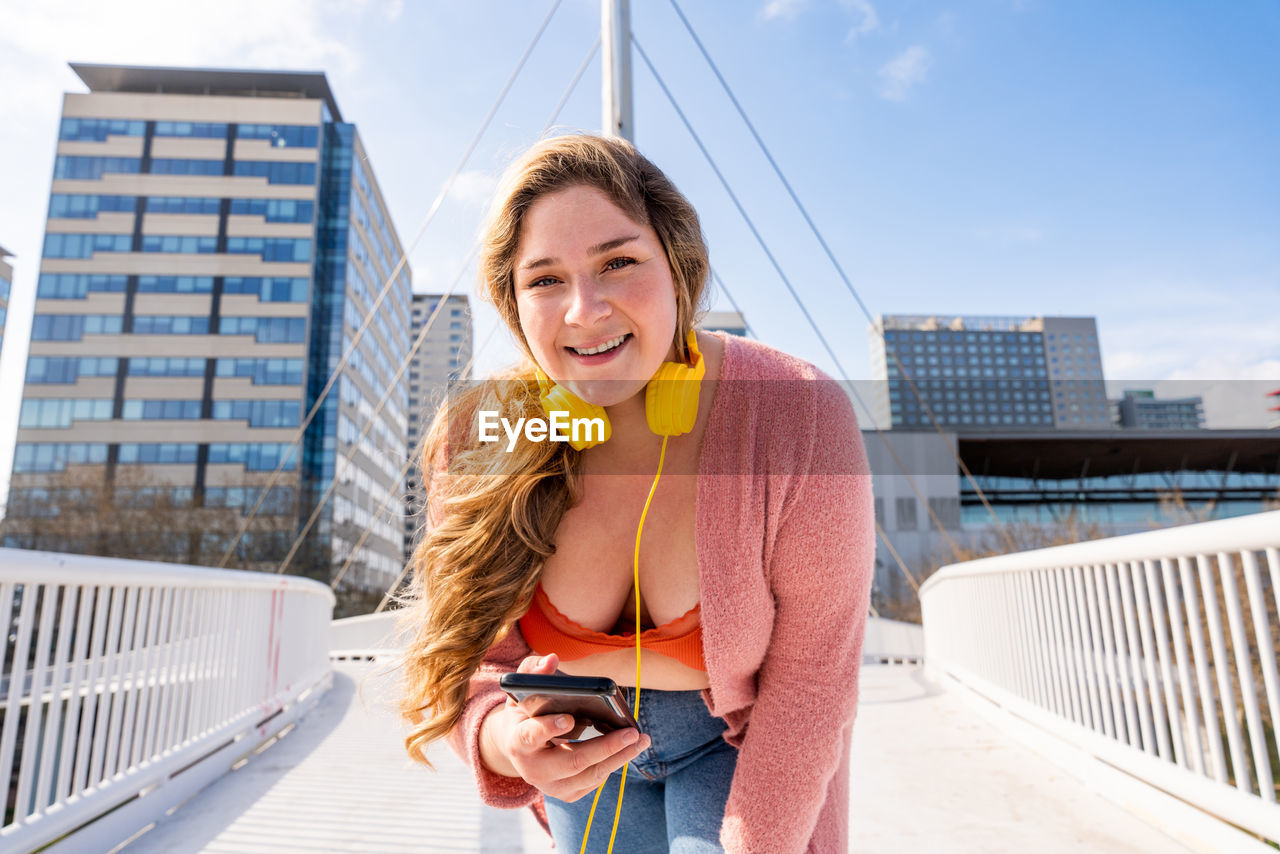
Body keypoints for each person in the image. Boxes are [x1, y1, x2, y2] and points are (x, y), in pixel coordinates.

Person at [398, 133, 874, 853]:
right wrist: (508, 741)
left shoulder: (798, 413)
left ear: (678, 268)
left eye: (618, 262)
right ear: (512, 303)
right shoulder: (479, 439)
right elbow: (471, 666)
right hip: (583, 754)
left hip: (736, 751)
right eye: (545, 279)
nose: (584, 310)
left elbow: (810, 690)